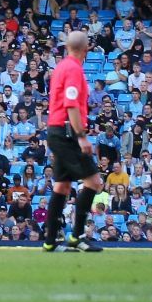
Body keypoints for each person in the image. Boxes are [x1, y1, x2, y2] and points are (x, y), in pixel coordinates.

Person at [41, 31, 105, 252]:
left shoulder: (61, 67)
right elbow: (71, 105)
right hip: (67, 133)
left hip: (57, 130)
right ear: (86, 49)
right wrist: (81, 136)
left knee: (62, 185)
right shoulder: (74, 69)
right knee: (94, 182)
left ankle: (50, 241)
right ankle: (77, 236)